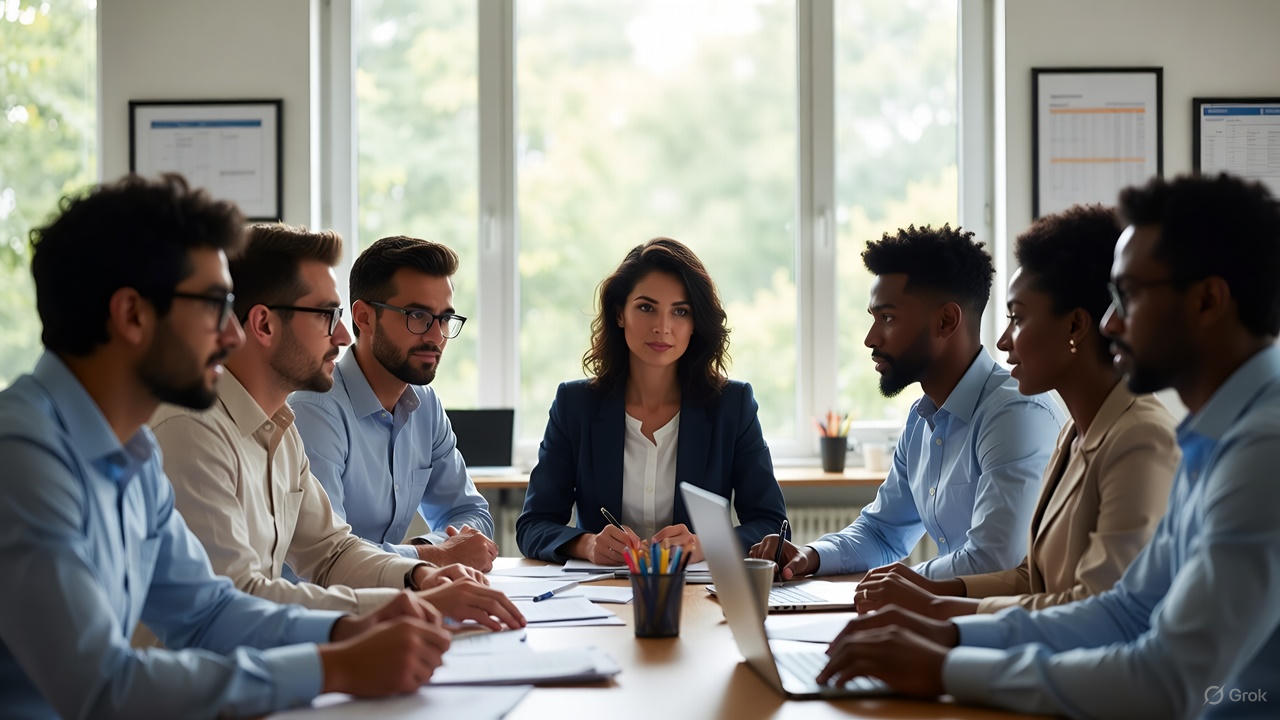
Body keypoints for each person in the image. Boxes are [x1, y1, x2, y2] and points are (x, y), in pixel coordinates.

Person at [817, 174, 1280, 719]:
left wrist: (945, 664)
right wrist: (949, 635)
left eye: (1127, 296)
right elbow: (1124, 612)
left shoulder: (1261, 452)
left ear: (1207, 299)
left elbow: (1170, 679)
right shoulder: (1212, 435)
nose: (1112, 322)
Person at [0, 174, 452, 718]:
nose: (234, 335)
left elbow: (208, 611)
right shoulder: (23, 456)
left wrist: (352, 626)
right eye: (216, 305)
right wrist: (336, 665)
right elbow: (99, 687)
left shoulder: (133, 453)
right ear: (132, 314)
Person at [150, 224, 522, 630]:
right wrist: (398, 604)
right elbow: (236, 600)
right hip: (196, 684)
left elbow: (329, 552)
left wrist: (420, 578)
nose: (344, 335)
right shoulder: (191, 431)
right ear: (264, 325)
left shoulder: (279, 427)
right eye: (327, 316)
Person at [852, 205, 1177, 618]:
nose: (1004, 342)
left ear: (1075, 327)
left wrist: (943, 622)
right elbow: (1030, 578)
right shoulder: (1074, 434)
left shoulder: (1139, 437)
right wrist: (927, 595)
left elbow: (1100, 614)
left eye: (1017, 320)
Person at [750, 224, 1064, 579]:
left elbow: (995, 561)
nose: (870, 339)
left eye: (887, 318)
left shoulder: (1014, 414)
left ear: (946, 321)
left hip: (998, 626)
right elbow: (882, 532)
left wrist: (896, 582)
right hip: (948, 618)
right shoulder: (922, 419)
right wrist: (810, 555)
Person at [516, 237, 788, 564]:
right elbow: (532, 525)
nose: (662, 327)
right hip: (599, 595)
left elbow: (772, 525)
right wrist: (586, 545)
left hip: (695, 596)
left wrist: (704, 545)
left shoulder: (733, 405)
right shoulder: (575, 405)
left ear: (695, 324)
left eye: (680, 312)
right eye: (646, 308)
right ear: (620, 314)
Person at [291, 236, 497, 572]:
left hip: (402, 599)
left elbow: (471, 515)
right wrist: (435, 555)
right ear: (364, 317)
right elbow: (325, 556)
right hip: (332, 609)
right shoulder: (315, 410)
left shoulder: (425, 405)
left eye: (444, 319)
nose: (436, 336)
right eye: (417, 316)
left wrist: (427, 549)